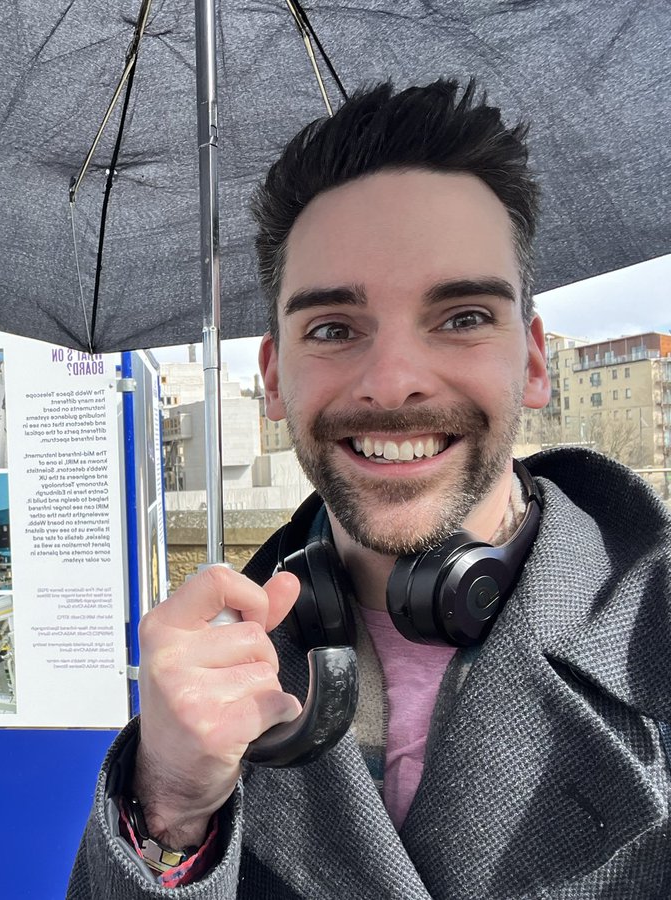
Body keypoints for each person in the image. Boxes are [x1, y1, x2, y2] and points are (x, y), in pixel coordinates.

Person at [69, 80, 671, 898]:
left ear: (532, 361)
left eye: (461, 316)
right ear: (274, 379)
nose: (392, 381)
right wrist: (170, 805)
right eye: (333, 329)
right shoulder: (204, 700)